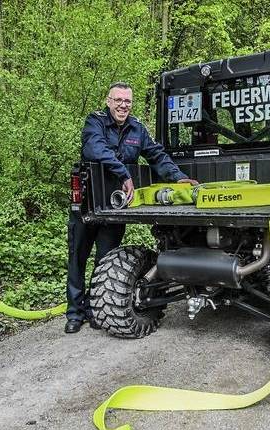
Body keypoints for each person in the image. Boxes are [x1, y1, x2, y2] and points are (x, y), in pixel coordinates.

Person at [65, 81, 194, 333]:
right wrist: (124, 173)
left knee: (106, 260)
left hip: (117, 208)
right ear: (108, 101)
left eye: (127, 101)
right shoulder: (95, 122)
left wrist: (177, 177)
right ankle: (74, 313)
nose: (123, 105)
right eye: (118, 100)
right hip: (88, 204)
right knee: (77, 258)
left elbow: (156, 155)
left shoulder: (137, 128)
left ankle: (94, 309)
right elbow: (94, 149)